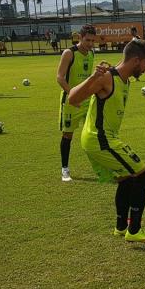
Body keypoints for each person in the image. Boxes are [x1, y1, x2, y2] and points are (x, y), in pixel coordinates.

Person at [68, 39, 145, 243]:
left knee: (126, 179)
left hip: (103, 138)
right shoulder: (106, 78)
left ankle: (121, 226)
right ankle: (134, 230)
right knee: (144, 177)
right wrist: (93, 77)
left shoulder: (122, 78)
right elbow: (73, 99)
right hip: (99, 139)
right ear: (135, 60)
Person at [57, 25, 97, 182]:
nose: (90, 44)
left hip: (87, 100)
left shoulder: (92, 53)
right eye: (87, 40)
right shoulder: (69, 53)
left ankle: (101, 167)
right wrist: (73, 94)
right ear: (80, 37)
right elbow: (60, 78)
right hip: (70, 102)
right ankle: (65, 169)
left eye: (93, 41)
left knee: (95, 133)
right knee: (68, 135)